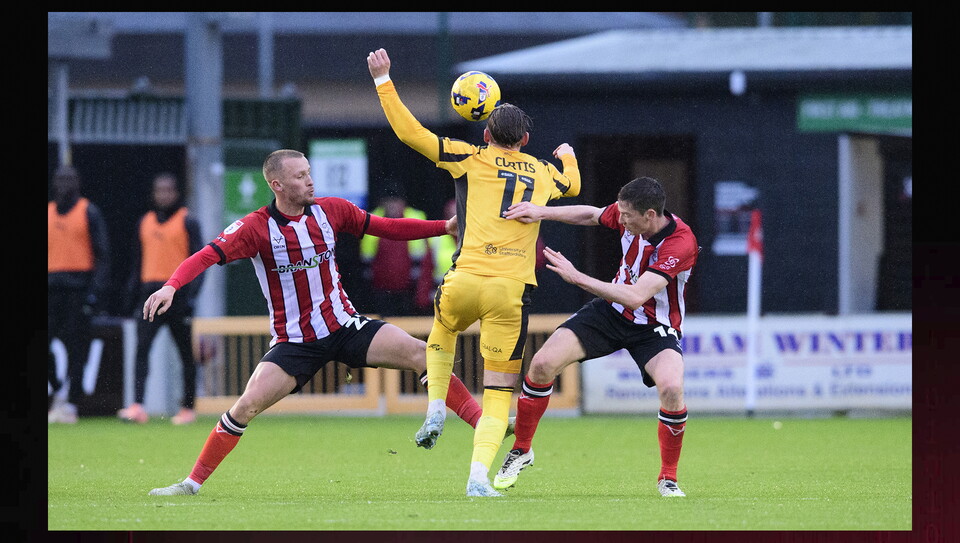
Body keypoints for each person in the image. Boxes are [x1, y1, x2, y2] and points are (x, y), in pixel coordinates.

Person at [145, 149, 505, 496]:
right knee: (245, 407)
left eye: (309, 173)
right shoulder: (255, 228)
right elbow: (207, 255)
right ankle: (190, 484)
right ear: (277, 185)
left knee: (422, 353)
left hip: (345, 325)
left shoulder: (331, 211)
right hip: (295, 343)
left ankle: (485, 425)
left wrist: (444, 226)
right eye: (300, 176)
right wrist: (171, 286)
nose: (310, 182)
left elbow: (387, 227)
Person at [367, 48, 581, 497]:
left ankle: (436, 407)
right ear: (524, 139)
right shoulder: (543, 172)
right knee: (500, 393)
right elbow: (573, 185)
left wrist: (384, 80)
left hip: (464, 280)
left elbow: (410, 133)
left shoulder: (469, 156)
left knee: (440, 335)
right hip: (509, 291)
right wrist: (568, 155)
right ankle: (478, 478)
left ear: (485, 133)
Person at [496, 176, 698, 497]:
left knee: (672, 389)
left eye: (627, 215)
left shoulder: (680, 243)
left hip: (654, 328)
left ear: (649, 215)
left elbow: (635, 296)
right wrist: (540, 211)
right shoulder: (627, 217)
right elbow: (591, 215)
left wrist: (577, 278)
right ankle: (521, 450)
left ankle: (668, 478)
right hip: (610, 313)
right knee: (542, 364)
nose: (620, 219)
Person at [117, 172, 205, 425]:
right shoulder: (144, 222)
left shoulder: (187, 221)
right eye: (159, 190)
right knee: (142, 350)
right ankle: (137, 406)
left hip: (177, 295)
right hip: (150, 296)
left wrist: (191, 297)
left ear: (176, 193)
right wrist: (132, 296)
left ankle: (188, 408)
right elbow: (137, 262)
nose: (163, 195)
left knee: (185, 355)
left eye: (168, 190)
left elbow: (200, 262)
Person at [48, 164, 111, 424]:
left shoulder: (88, 211)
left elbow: (102, 254)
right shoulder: (49, 212)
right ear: (54, 183)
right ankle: (57, 385)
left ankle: (71, 403)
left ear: (78, 183)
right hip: (51, 288)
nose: (64, 184)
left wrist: (95, 292)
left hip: (78, 287)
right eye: (60, 179)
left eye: (69, 179)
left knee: (76, 347)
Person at [359, 189, 428, 316]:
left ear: (403, 203)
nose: (392, 205)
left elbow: (424, 258)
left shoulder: (415, 218)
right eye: (388, 201)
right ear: (382, 203)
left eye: (395, 201)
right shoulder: (370, 219)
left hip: (409, 288)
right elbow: (366, 258)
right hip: (381, 288)